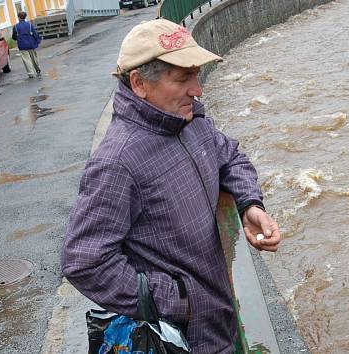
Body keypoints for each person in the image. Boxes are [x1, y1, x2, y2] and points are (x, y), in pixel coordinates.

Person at [61, 19, 281, 353]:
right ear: (139, 83)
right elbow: (85, 261)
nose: (198, 89)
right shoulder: (117, 163)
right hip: (185, 340)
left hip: (222, 321)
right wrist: (178, 300)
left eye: (196, 74)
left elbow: (230, 156)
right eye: (183, 78)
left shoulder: (190, 121)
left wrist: (249, 204)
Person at [11, 11, 41, 78]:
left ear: (18, 17)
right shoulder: (30, 25)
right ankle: (38, 70)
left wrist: (18, 37)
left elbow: (14, 37)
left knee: (26, 59)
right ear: (25, 17)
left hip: (22, 45)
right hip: (31, 44)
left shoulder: (15, 26)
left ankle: (31, 73)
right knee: (34, 58)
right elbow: (35, 33)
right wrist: (38, 41)